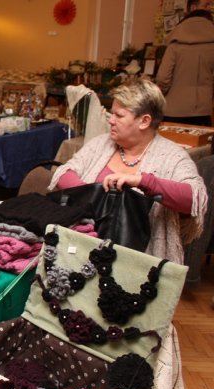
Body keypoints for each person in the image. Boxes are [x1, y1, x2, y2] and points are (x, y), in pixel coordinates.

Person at [49, 78, 207, 264]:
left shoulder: (172, 156)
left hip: (143, 261)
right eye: (111, 113)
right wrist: (91, 194)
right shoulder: (101, 143)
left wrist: (143, 181)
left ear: (144, 121)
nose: (111, 120)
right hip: (81, 253)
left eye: (119, 115)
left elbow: (194, 198)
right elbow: (64, 172)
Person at [155, 7, 214, 126]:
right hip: (203, 110)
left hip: (174, 109)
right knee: (202, 138)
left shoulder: (175, 45)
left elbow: (163, 77)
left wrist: (164, 92)